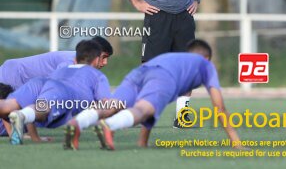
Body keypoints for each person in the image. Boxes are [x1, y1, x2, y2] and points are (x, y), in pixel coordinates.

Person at [64, 39, 243, 151]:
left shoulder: (175, 58)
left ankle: (77, 122)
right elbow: (219, 107)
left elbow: (153, 110)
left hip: (141, 70)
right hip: (163, 76)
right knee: (143, 109)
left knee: (112, 105)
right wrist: (236, 142)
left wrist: (143, 142)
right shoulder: (205, 65)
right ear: (206, 58)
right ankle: (110, 125)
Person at [0, 39, 111, 145]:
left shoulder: (64, 67)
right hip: (37, 83)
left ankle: (23, 116)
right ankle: (23, 115)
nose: (105, 62)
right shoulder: (97, 75)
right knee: (42, 109)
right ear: (96, 58)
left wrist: (35, 137)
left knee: (8, 105)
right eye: (103, 57)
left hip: (36, 82)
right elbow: (105, 105)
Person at [0, 36, 113, 90]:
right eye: (104, 57)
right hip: (13, 75)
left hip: (15, 75)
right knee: (13, 119)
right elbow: (55, 86)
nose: (105, 62)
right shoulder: (71, 61)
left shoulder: (80, 62)